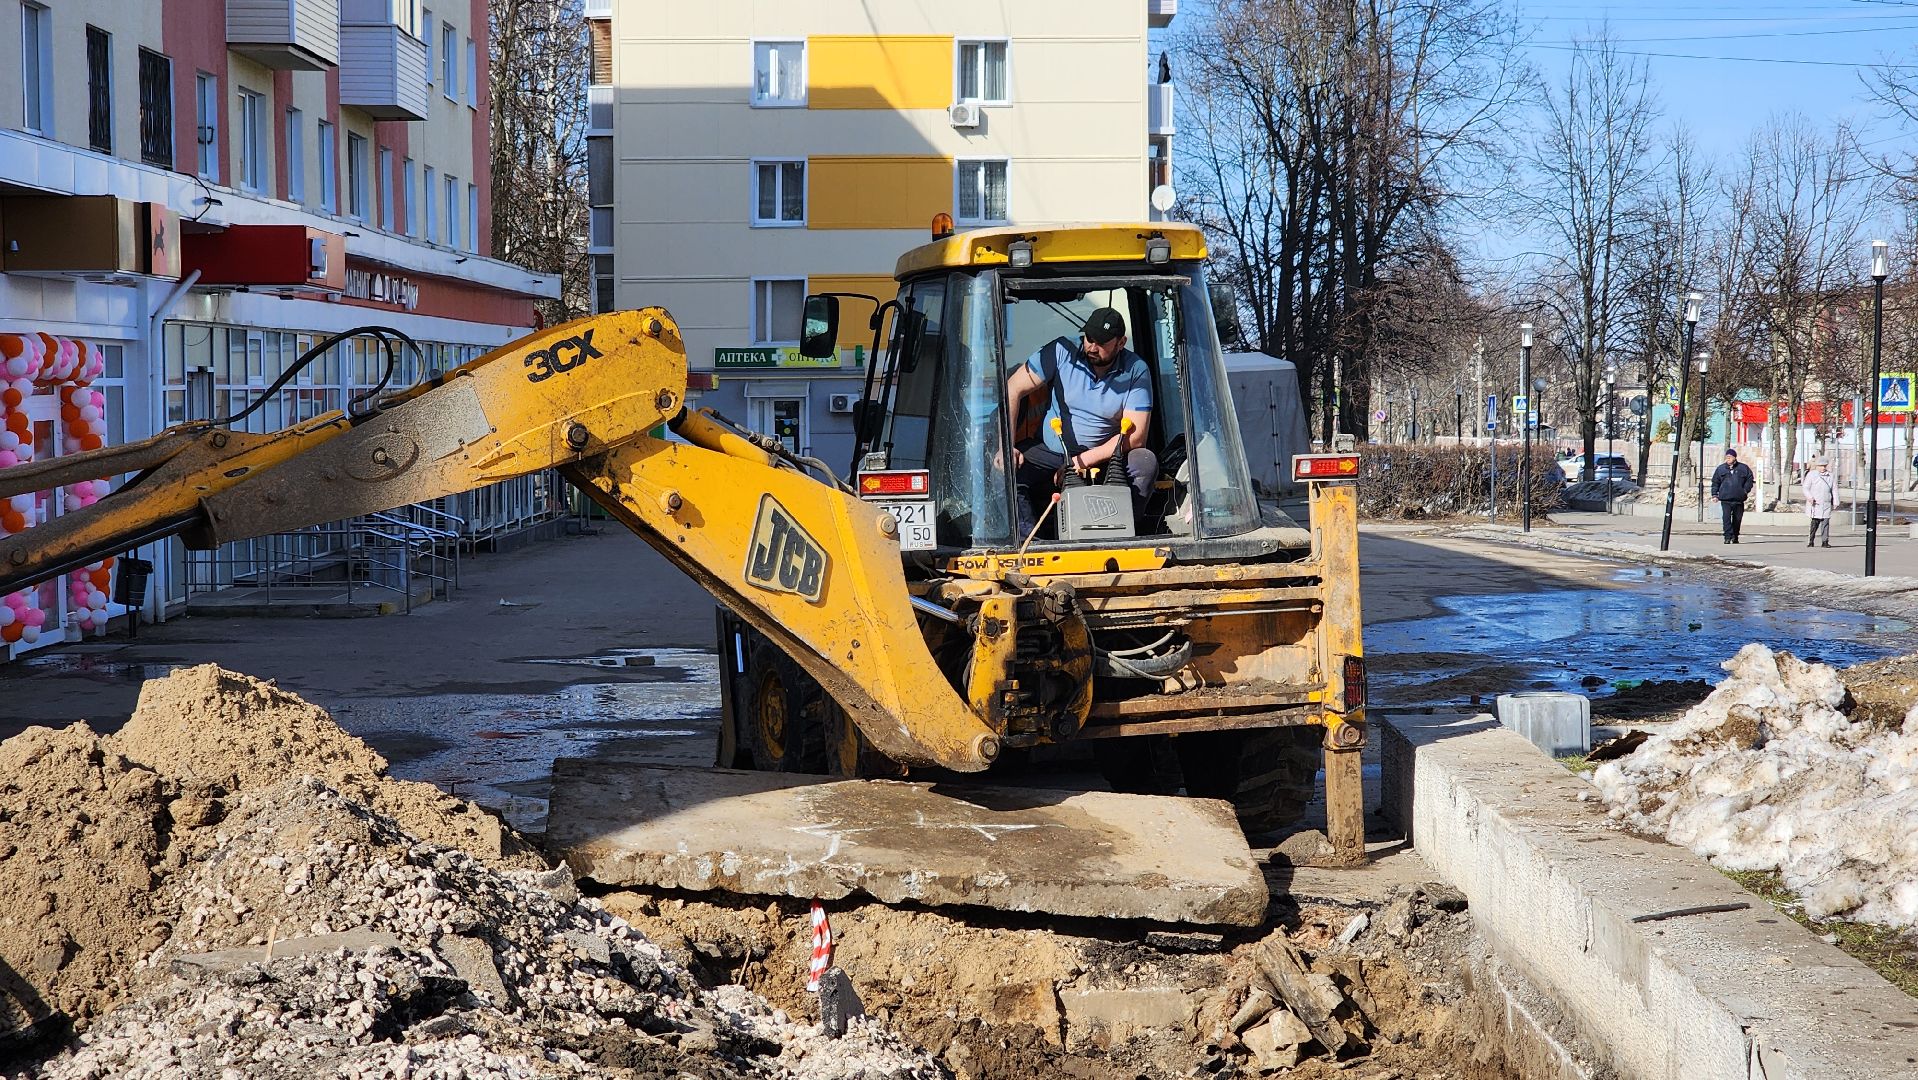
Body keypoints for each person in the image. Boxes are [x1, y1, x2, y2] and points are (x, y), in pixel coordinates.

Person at [1005, 307, 1158, 529]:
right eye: (1089, 338)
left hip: (1105, 458)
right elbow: (1013, 389)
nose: (1092, 347)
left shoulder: (1136, 370)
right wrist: (1006, 446)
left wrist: (1080, 462)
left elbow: (1136, 438)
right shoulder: (1061, 350)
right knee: (1006, 469)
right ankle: (1030, 542)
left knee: (1144, 462)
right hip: (1050, 451)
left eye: (1102, 342)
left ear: (1121, 343)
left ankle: (1122, 533)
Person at [1710, 447, 1755, 544]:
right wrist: (1714, 494)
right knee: (1726, 518)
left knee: (1737, 519)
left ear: (1735, 457)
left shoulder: (1743, 468)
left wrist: (1745, 490)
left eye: (1730, 457)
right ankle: (1727, 536)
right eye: (1727, 457)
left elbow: (1750, 480)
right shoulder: (1721, 469)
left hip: (1739, 499)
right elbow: (1715, 482)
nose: (1728, 458)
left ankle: (1735, 536)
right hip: (1725, 499)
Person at [1804, 457, 1835, 548]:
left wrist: (1836, 501)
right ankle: (1811, 541)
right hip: (1815, 503)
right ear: (1817, 466)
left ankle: (1825, 541)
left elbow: (1834, 489)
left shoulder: (1830, 475)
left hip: (1826, 503)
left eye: (1824, 466)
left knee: (1825, 523)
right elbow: (1805, 488)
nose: (1823, 468)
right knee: (1814, 523)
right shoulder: (1811, 475)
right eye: (1821, 466)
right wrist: (1810, 497)